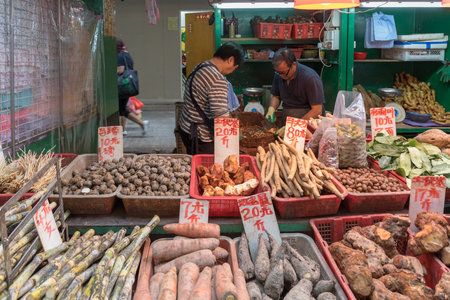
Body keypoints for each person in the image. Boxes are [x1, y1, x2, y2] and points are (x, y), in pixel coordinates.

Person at [179, 42, 245, 155]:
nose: (232, 71)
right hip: (200, 136)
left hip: (186, 127)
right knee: (205, 169)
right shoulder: (217, 79)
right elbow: (220, 118)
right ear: (230, 60)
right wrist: (234, 133)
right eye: (235, 67)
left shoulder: (201, 66)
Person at [265, 48, 325, 126]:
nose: (281, 76)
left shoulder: (310, 78)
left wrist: (295, 125)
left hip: (308, 122)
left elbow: (317, 110)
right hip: (287, 118)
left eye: (284, 73)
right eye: (278, 72)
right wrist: (271, 109)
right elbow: (276, 96)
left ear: (294, 64)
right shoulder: (279, 74)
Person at [116, 38, 148, 136]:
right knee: (122, 109)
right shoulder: (127, 54)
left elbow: (121, 70)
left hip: (122, 85)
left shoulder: (120, 56)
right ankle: (137, 125)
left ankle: (123, 130)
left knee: (121, 109)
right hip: (127, 85)